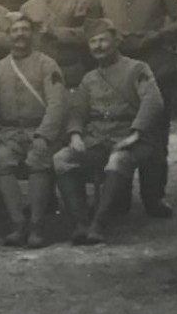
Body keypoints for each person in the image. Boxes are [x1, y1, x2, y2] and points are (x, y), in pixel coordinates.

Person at [86, 0, 177, 218]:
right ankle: (120, 197)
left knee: (155, 137)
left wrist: (156, 37)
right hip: (116, 74)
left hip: (156, 70)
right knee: (117, 133)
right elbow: (90, 29)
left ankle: (153, 197)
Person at [52, 18, 165, 245]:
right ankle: (81, 224)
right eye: (93, 42)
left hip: (131, 138)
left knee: (117, 159)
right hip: (97, 137)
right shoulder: (89, 78)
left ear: (116, 40)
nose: (98, 46)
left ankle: (98, 225)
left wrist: (136, 132)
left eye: (103, 40)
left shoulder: (137, 68)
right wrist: (75, 135)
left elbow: (153, 101)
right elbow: (77, 111)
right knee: (62, 158)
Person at [0, 13, 68, 249]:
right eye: (15, 30)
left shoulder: (47, 64)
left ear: (31, 34)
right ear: (8, 36)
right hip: (9, 132)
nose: (20, 34)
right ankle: (17, 223)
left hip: (39, 129)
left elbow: (57, 104)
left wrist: (44, 136)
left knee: (38, 158)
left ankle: (36, 226)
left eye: (24, 29)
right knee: (1, 159)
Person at [20, 0, 92, 86]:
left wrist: (55, 32)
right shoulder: (27, 8)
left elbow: (87, 34)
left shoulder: (77, 2)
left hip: (69, 71)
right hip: (37, 73)